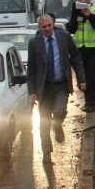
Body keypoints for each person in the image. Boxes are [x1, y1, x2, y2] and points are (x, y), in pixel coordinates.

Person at [27, 14, 86, 163]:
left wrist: (81, 79)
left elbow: (76, 58)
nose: (47, 29)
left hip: (61, 84)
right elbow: (31, 70)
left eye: (49, 26)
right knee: (44, 121)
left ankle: (58, 123)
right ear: (39, 28)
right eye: (43, 27)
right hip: (44, 87)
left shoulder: (64, 37)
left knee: (60, 110)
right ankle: (46, 153)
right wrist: (32, 91)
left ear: (53, 24)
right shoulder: (34, 43)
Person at [67, 0, 95, 112]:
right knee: (82, 77)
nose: (83, 1)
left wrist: (90, 15)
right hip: (79, 49)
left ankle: (91, 103)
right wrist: (75, 14)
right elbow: (71, 29)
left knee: (92, 76)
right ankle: (87, 99)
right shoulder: (77, 12)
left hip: (94, 49)